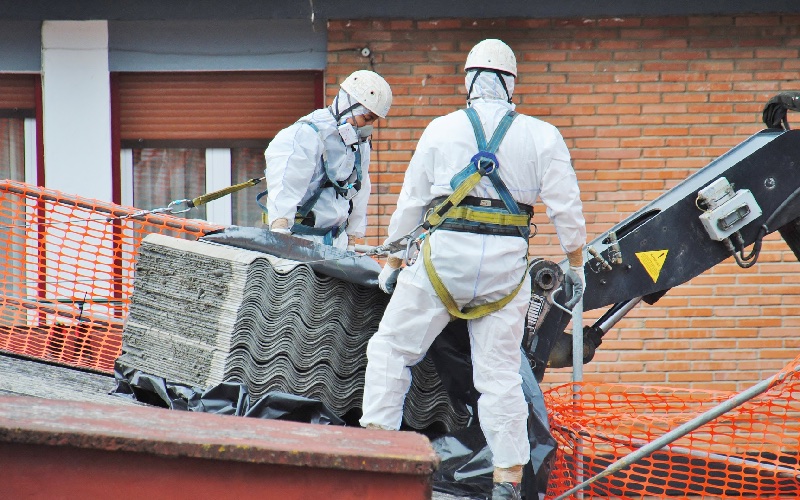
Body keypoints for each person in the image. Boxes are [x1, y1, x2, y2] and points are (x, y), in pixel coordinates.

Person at [360, 39, 586, 500]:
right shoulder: (542, 135)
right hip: (504, 272)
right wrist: (576, 261)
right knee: (499, 376)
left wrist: (392, 261)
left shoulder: (441, 130)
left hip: (443, 263)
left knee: (392, 350)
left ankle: (376, 457)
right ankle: (507, 480)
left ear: (468, 81)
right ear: (511, 83)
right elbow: (567, 207)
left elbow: (412, 201)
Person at [262, 70, 392, 251]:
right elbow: (285, 187)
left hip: (336, 242)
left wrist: (352, 238)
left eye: (373, 121)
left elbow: (360, 190)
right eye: (367, 118)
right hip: (302, 242)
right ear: (349, 105)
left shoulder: (358, 145)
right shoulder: (305, 135)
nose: (368, 127)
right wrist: (280, 238)